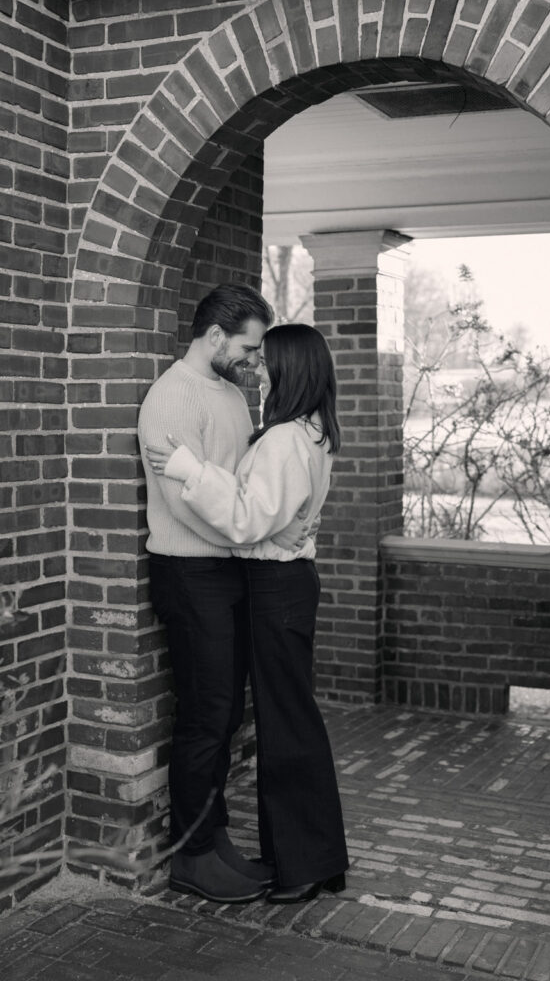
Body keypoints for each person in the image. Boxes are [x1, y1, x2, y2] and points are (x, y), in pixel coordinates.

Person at [145, 323, 349, 904]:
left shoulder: (287, 439)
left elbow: (248, 519)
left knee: (286, 727)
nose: (258, 367)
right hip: (285, 584)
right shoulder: (310, 431)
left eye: (267, 359)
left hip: (276, 586)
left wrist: (188, 468)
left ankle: (306, 865)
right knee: (292, 722)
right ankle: (312, 859)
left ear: (291, 369)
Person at [138, 282, 292, 904]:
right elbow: (188, 503)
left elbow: (233, 485)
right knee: (204, 717)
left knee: (227, 713)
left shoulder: (230, 393)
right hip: (190, 571)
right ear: (214, 336)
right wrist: (248, 528)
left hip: (229, 566)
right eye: (250, 350)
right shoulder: (171, 398)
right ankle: (191, 856)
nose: (257, 363)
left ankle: (216, 841)